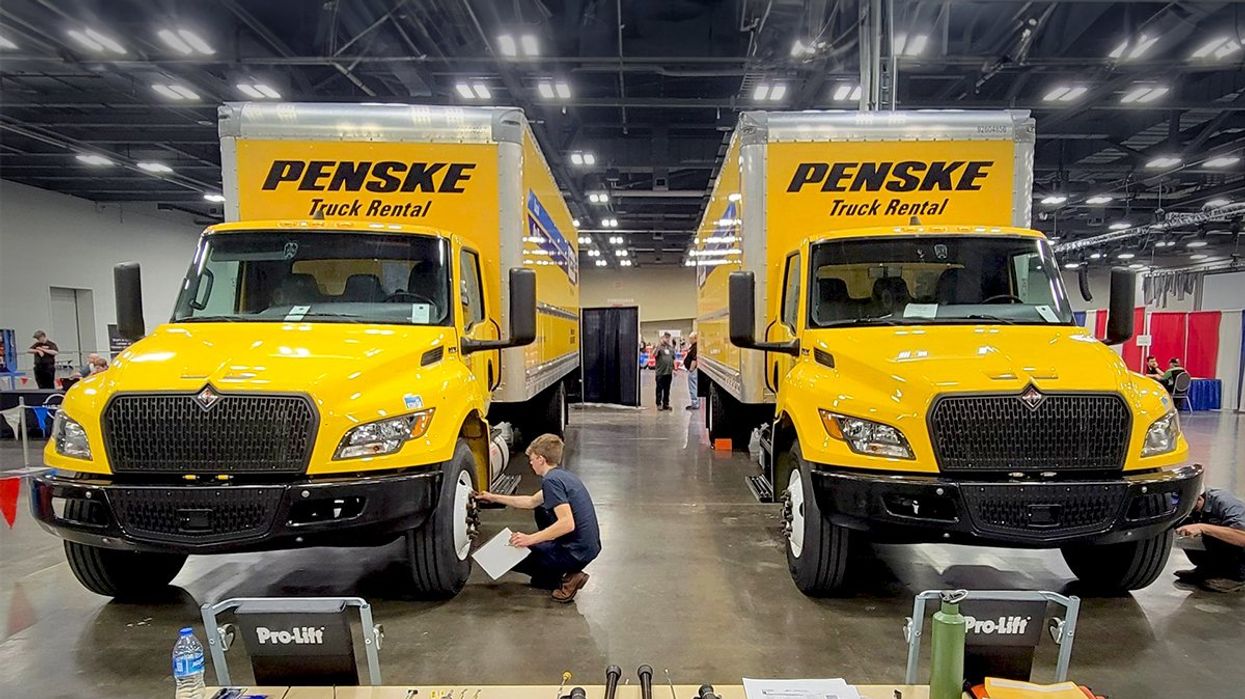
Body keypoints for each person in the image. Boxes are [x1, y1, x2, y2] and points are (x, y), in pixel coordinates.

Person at [474, 434, 601, 602]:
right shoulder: (563, 476)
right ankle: (557, 576)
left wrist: (530, 539)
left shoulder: (551, 481)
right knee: (540, 509)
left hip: (575, 552)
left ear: (541, 459)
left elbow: (567, 523)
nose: (530, 463)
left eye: (532, 459)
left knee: (509, 552)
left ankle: (570, 578)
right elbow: (531, 501)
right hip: (587, 548)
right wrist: (493, 497)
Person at [1175, 489, 1245, 593]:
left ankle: (1237, 576)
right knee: (1186, 524)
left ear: (1199, 499)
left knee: (1214, 530)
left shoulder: (1225, 503)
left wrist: (1203, 527)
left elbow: (1242, 537)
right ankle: (1209, 570)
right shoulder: (1191, 509)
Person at [653, 333, 675, 410]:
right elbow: (654, 355)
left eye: (668, 338)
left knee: (667, 389)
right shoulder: (659, 348)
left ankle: (666, 404)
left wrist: (674, 369)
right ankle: (658, 403)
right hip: (660, 372)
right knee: (659, 389)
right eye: (666, 338)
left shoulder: (671, 348)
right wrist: (658, 346)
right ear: (662, 338)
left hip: (668, 372)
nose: (667, 339)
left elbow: (673, 359)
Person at [683, 332, 700, 410]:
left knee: (693, 386)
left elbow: (694, 359)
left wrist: (691, 369)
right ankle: (695, 402)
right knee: (694, 386)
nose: (689, 340)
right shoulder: (693, 346)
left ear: (695, 338)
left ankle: (695, 403)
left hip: (693, 370)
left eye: (691, 338)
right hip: (693, 370)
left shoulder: (695, 347)